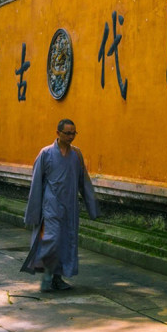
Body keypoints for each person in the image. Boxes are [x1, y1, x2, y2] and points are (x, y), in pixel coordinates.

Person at [21, 118, 99, 291]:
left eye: (74, 133)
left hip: (70, 206)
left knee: (65, 241)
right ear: (58, 133)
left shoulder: (76, 155)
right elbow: (36, 184)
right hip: (51, 205)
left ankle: (58, 278)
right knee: (52, 240)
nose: (71, 137)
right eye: (67, 133)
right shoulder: (46, 153)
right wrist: (33, 212)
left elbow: (83, 182)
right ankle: (47, 277)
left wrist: (92, 206)